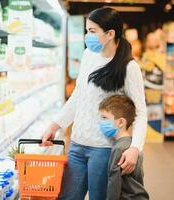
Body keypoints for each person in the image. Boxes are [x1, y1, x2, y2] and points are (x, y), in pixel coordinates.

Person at [41, 7, 147, 200]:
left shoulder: (129, 68)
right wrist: (56, 124)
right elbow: (78, 96)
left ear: (110, 34)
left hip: (104, 149)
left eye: (92, 31)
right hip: (77, 143)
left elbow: (140, 113)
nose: (86, 36)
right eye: (86, 30)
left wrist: (135, 148)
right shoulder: (89, 55)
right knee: (67, 197)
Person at [98, 95, 149, 200]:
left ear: (120, 122)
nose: (101, 122)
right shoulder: (132, 146)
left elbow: (114, 183)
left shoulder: (119, 149)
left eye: (105, 118)